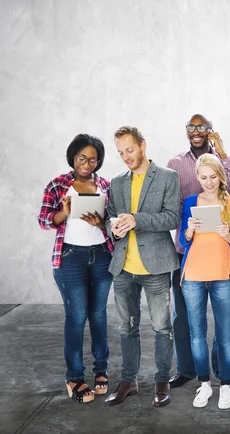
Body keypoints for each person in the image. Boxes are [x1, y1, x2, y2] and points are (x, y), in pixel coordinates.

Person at [104, 126, 180, 408]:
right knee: (127, 327)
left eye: (130, 149)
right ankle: (128, 380)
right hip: (123, 267)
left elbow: (172, 218)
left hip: (156, 267)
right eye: (121, 152)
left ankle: (162, 380)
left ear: (143, 145)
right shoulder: (116, 181)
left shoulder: (168, 177)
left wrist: (137, 220)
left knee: (161, 326)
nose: (126, 156)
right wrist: (113, 226)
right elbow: (109, 217)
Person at [167, 114, 230, 389]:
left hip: (220, 257)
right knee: (185, 318)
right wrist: (186, 232)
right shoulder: (176, 163)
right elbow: (173, 206)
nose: (196, 131)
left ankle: (222, 372)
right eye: (191, 127)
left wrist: (222, 154)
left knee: (222, 326)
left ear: (211, 132)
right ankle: (190, 371)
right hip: (190, 251)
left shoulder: (221, 164)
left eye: (202, 127)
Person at [37, 134, 114, 403]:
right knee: (76, 316)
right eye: (82, 158)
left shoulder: (105, 184)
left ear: (98, 161)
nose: (87, 164)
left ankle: (101, 370)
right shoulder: (58, 184)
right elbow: (44, 221)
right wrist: (64, 212)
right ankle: (74, 377)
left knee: (99, 315)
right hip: (70, 257)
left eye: (93, 159)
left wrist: (101, 222)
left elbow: (112, 223)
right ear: (73, 157)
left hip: (102, 255)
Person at [178, 153, 230, 410]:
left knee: (225, 334)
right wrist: (189, 231)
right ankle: (204, 383)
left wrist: (228, 233)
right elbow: (184, 242)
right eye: (203, 177)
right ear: (197, 177)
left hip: (221, 275)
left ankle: (225, 384)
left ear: (221, 176)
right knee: (197, 334)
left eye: (213, 177)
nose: (208, 182)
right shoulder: (190, 202)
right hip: (193, 274)